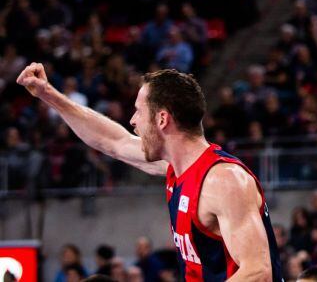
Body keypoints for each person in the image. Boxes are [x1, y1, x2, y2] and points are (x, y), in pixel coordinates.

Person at [16, 64, 283, 282]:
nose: (132, 121)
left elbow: (258, 273)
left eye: (138, 112)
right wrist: (48, 94)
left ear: (162, 119)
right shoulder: (177, 168)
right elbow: (112, 142)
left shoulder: (224, 180)